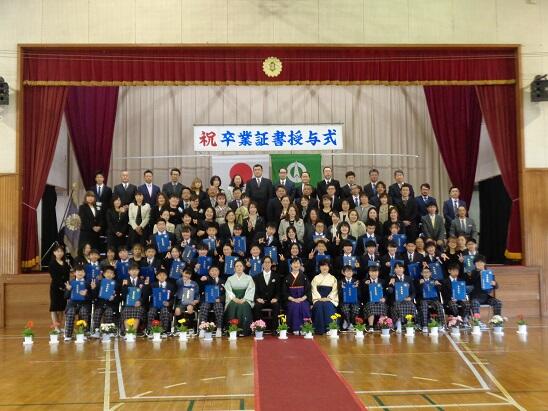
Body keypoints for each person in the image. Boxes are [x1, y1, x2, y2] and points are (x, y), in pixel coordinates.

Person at [224, 260, 255, 336]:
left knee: (244, 306)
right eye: (237, 266)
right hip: (233, 298)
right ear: (234, 268)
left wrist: (245, 299)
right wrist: (234, 299)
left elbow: (251, 289)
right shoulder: (230, 278)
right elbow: (228, 290)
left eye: (240, 266)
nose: (239, 268)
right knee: (232, 305)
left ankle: (245, 330)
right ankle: (232, 330)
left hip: (245, 298)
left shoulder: (249, 278)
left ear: (243, 267)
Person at [63, 265, 92, 341]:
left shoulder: (88, 283)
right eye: (78, 271)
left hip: (84, 304)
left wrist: (86, 295)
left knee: (83, 312)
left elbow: (91, 297)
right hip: (72, 305)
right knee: (71, 312)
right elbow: (66, 297)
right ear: (74, 273)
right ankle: (68, 335)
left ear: (84, 273)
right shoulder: (70, 282)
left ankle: (82, 334)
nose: (80, 273)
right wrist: (68, 290)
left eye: (82, 271)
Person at [283, 258, 312, 334]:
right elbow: (285, 292)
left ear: (300, 265)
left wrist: (302, 298)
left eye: (298, 263)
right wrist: (293, 299)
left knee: (304, 306)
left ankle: (305, 328)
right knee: (294, 306)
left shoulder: (304, 277)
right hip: (291, 299)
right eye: (294, 263)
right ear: (291, 265)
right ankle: (294, 328)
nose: (296, 265)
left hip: (303, 299)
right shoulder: (287, 278)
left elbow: (308, 290)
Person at [90, 265, 121, 337]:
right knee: (97, 312)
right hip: (100, 305)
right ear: (104, 274)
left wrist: (114, 298)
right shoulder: (98, 283)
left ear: (114, 275)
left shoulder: (116, 285)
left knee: (109, 312)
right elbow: (93, 297)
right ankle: (96, 331)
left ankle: (108, 331)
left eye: (111, 273)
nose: (109, 274)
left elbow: (119, 298)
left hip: (111, 305)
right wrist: (93, 289)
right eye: (107, 272)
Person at [386, 262, 417, 333]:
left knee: (411, 306)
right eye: (396, 268)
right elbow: (389, 292)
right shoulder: (391, 279)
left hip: (407, 300)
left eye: (400, 268)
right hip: (396, 300)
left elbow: (413, 292)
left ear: (403, 269)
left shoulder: (408, 278)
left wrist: (410, 298)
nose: (398, 269)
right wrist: (391, 285)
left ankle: (409, 324)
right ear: (394, 270)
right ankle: (399, 324)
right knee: (397, 305)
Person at [311, 259, 339, 334]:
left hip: (329, 299)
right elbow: (314, 289)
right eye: (322, 265)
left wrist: (328, 298)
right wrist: (319, 298)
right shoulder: (316, 278)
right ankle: (319, 329)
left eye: (326, 266)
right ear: (319, 267)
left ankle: (330, 329)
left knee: (328, 306)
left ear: (329, 267)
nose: (324, 267)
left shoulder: (333, 278)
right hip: (318, 299)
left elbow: (335, 290)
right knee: (318, 306)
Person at [253, 256, 281, 328]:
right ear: (262, 264)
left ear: (271, 264)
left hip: (272, 300)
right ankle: (259, 328)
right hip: (261, 300)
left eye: (269, 262)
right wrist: (257, 298)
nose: (267, 264)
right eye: (265, 262)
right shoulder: (256, 277)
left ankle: (274, 328)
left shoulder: (277, 276)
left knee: (277, 305)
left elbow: (278, 290)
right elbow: (254, 290)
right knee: (256, 306)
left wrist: (276, 298)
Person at [120, 263, 148, 335]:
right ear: (128, 271)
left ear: (138, 271)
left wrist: (140, 302)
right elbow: (123, 296)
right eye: (132, 270)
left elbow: (145, 295)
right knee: (126, 311)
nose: (134, 272)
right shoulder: (125, 281)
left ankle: (133, 332)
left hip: (139, 305)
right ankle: (128, 332)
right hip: (128, 304)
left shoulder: (143, 281)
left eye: (136, 270)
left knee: (138, 311)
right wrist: (124, 287)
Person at [147, 269, 176, 336]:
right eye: (160, 275)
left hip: (165, 305)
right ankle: (151, 330)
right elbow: (148, 295)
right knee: (151, 312)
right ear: (157, 276)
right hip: (154, 304)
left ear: (166, 276)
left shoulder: (171, 286)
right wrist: (146, 285)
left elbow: (173, 298)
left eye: (164, 275)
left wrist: (169, 303)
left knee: (165, 312)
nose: (162, 277)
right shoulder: (153, 285)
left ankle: (164, 330)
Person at [198, 265, 225, 338]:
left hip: (218, 301)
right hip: (207, 300)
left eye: (216, 270)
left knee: (219, 306)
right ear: (209, 272)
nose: (214, 272)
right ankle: (202, 328)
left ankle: (219, 328)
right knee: (204, 306)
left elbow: (226, 294)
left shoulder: (223, 281)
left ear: (219, 272)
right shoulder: (206, 280)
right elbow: (200, 290)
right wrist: (205, 278)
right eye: (212, 271)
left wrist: (220, 299)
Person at [416, 267, 445, 332]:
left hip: (433, 299)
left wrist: (438, 285)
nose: (426, 274)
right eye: (424, 272)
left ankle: (441, 324)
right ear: (421, 273)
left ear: (430, 273)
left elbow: (440, 290)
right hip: (423, 299)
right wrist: (420, 284)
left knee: (439, 305)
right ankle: (425, 325)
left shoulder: (434, 280)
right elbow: (417, 292)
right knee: (424, 305)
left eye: (427, 272)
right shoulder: (418, 281)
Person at [49, 245, 70, 331]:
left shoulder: (65, 263)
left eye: (61, 251)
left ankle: (60, 326)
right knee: (54, 308)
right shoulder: (52, 264)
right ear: (54, 253)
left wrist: (66, 286)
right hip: (55, 288)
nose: (60, 253)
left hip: (64, 289)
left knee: (62, 308)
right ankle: (55, 327)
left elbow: (67, 277)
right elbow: (55, 277)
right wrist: (62, 286)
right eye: (57, 251)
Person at [362, 265, 388, 332]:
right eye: (372, 272)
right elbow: (362, 294)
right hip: (369, 301)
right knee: (371, 306)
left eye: (376, 271)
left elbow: (386, 293)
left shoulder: (382, 281)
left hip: (380, 301)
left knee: (382, 305)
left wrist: (384, 298)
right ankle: (371, 326)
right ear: (369, 273)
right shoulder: (365, 281)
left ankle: (382, 325)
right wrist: (365, 286)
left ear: (378, 272)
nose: (374, 273)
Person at [174, 269, 200, 333]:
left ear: (190, 275)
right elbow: (177, 284)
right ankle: (180, 326)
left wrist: (196, 300)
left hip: (191, 301)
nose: (186, 276)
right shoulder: (179, 281)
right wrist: (183, 279)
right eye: (185, 274)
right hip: (181, 301)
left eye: (188, 274)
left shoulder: (194, 283)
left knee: (189, 308)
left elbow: (197, 294)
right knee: (177, 310)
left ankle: (190, 327)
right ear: (183, 274)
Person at [339, 265, 361, 330]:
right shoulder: (340, 282)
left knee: (355, 309)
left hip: (354, 301)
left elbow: (360, 295)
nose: (349, 273)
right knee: (345, 308)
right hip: (344, 301)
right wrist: (342, 289)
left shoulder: (356, 282)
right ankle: (349, 323)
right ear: (343, 273)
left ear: (353, 272)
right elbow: (339, 295)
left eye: (350, 271)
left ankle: (350, 323)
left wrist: (357, 288)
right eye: (347, 271)